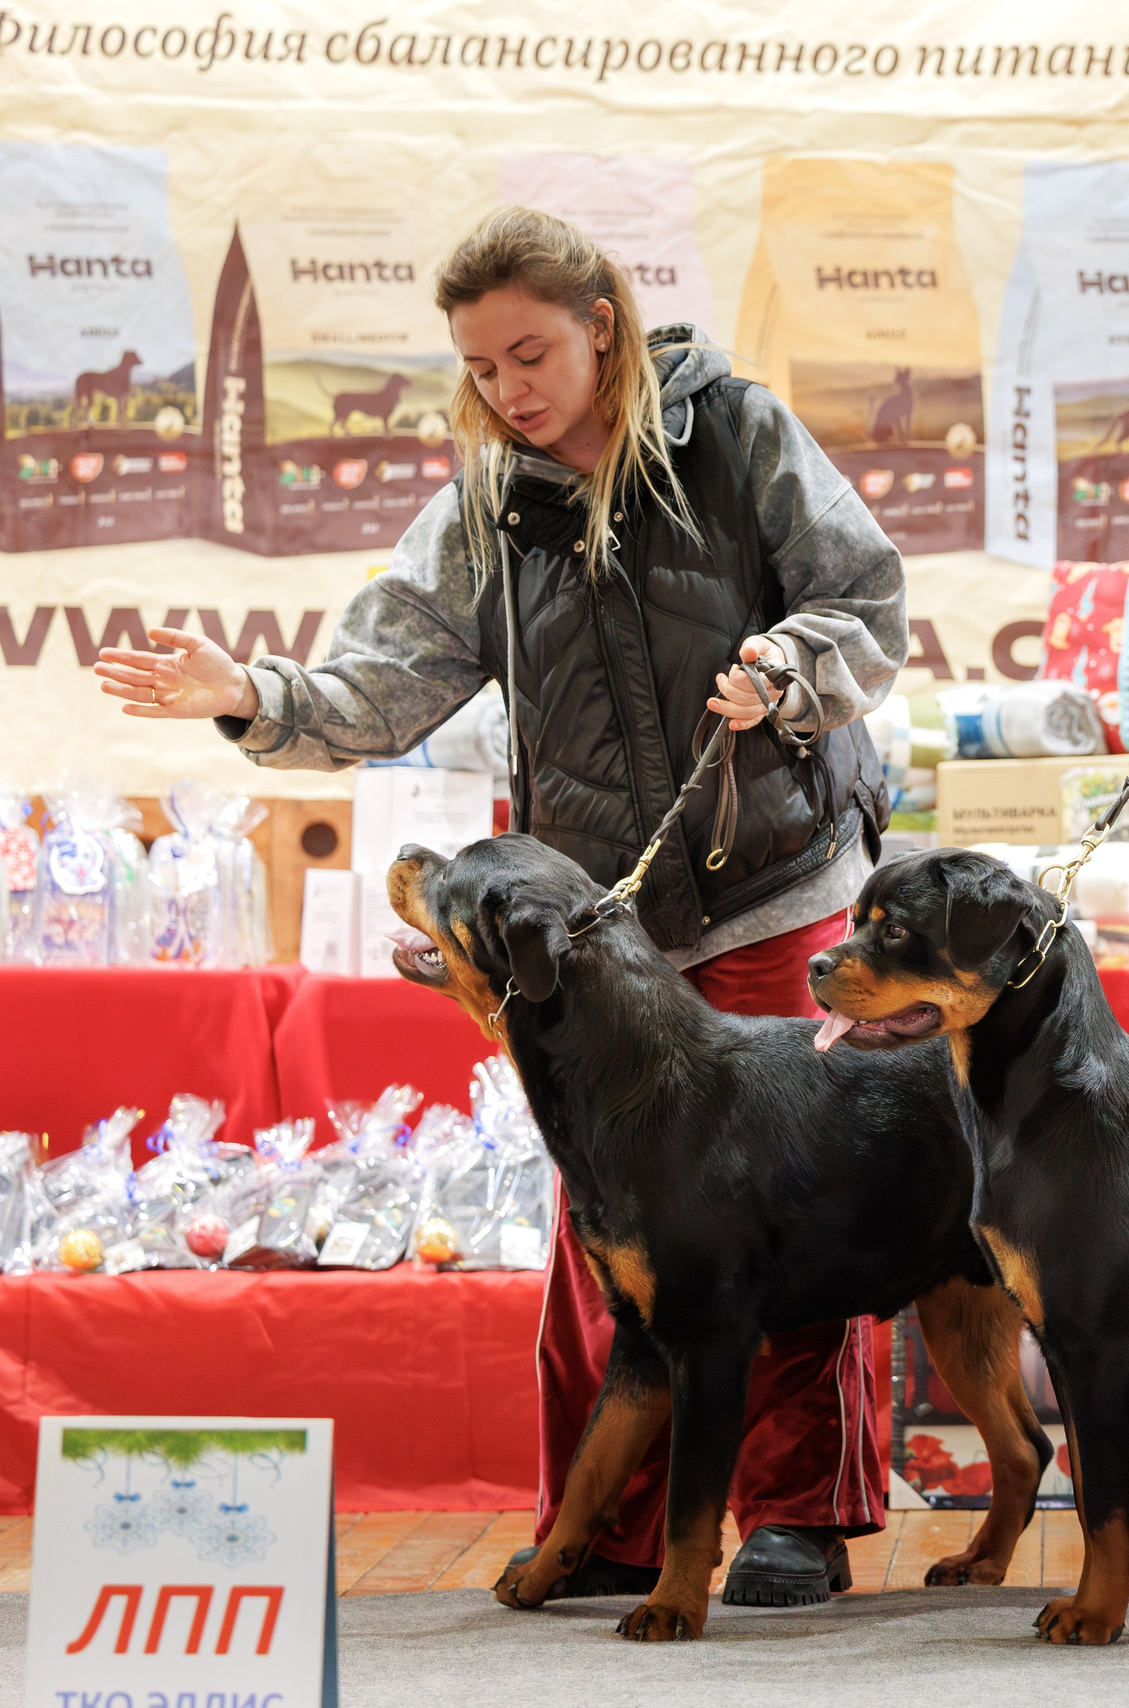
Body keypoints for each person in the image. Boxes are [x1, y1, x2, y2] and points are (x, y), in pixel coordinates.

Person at [93, 207, 906, 1610]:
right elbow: (382, 682)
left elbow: (867, 605)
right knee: (609, 1234)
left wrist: (786, 670)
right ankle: (613, 1525)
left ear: (603, 324)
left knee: (794, 1207)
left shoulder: (738, 434)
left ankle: (794, 1517)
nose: (507, 389)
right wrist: (249, 693)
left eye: (529, 354)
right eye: (479, 366)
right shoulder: (485, 502)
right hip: (593, 930)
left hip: (777, 892)